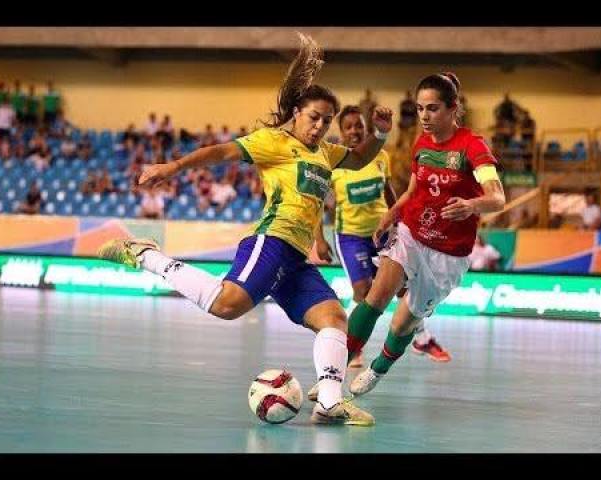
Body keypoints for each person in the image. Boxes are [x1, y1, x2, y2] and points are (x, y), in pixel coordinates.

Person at [97, 33, 393, 426]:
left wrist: (383, 134)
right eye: (314, 117)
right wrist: (172, 168)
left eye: (326, 120)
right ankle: (144, 255)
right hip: (272, 240)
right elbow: (218, 153)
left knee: (334, 319)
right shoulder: (273, 141)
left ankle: (329, 403)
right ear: (296, 112)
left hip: (297, 255)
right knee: (227, 305)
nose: (320, 126)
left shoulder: (325, 152)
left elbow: (359, 160)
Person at [346, 72, 505, 397]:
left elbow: (498, 198)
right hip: (412, 234)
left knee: (403, 324)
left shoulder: (472, 147)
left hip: (448, 254)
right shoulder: (421, 143)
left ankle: (378, 369)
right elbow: (413, 190)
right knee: (375, 298)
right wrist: (393, 212)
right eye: (420, 109)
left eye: (432, 109)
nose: (424, 117)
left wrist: (472, 205)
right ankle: (332, 373)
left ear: (452, 108)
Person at [313, 105, 450, 371]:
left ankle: (422, 339)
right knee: (363, 292)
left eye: (359, 126)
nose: (355, 130)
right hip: (350, 237)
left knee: (400, 287)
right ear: (340, 132)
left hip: (382, 231)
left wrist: (400, 221)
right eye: (349, 126)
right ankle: (354, 348)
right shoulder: (334, 164)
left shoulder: (380, 156)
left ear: (366, 128)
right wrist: (319, 238)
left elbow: (388, 191)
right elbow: (317, 203)